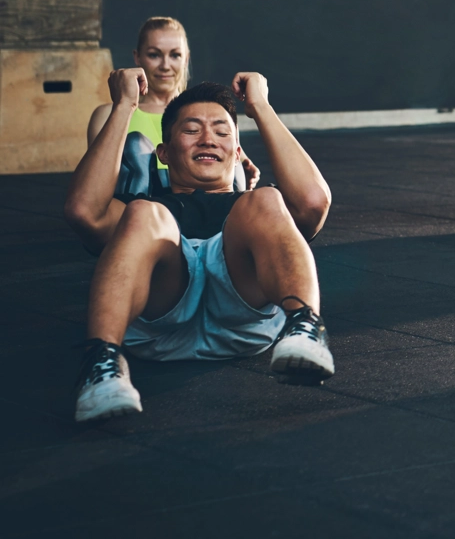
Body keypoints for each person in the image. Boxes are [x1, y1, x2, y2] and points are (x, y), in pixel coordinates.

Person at [64, 69, 335, 422]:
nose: (208, 139)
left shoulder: (252, 211)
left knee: (267, 198)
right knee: (144, 212)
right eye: (191, 130)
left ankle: (305, 326)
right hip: (161, 316)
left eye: (222, 132)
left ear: (237, 153)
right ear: (163, 152)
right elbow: (83, 212)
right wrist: (124, 105)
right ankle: (101, 365)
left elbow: (314, 203)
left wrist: (260, 105)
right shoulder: (144, 209)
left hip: (244, 316)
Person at [87, 16, 258, 201]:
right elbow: (94, 185)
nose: (165, 66)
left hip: (212, 211)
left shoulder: (216, 113)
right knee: (135, 147)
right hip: (141, 217)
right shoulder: (109, 114)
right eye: (154, 55)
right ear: (137, 57)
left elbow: (237, 163)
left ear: (186, 59)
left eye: (175, 55)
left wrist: (244, 167)